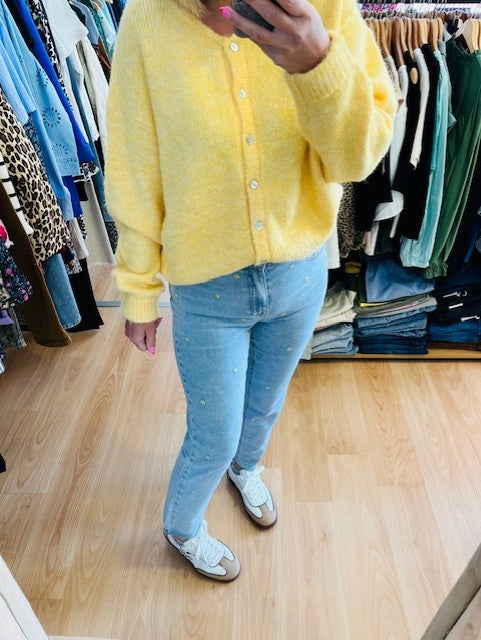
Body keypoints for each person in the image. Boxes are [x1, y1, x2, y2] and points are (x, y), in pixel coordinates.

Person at [105, 0, 396, 582]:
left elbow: (356, 160)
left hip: (300, 274)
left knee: (265, 404)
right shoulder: (148, 20)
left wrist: (318, 66)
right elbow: (135, 167)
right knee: (213, 434)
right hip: (205, 290)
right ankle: (182, 525)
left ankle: (247, 469)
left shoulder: (326, 7)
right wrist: (137, 289)